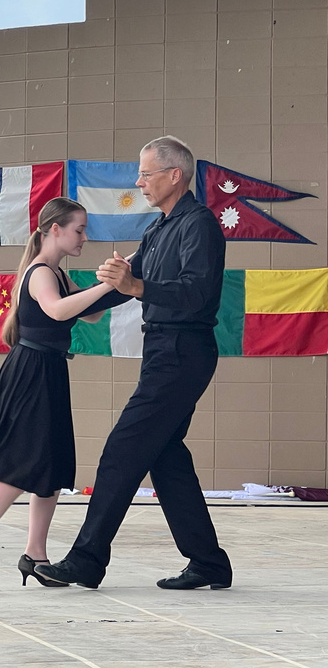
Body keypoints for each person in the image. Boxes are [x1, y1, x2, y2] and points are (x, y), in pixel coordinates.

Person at [36, 136, 233, 591]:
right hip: (162, 351)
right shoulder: (159, 229)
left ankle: (86, 560)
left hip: (184, 351)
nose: (139, 182)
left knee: (124, 449)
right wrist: (103, 286)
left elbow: (198, 293)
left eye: (146, 173)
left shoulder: (199, 225)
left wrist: (138, 287)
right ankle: (209, 563)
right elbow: (129, 278)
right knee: (166, 458)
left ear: (174, 175)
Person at [0, 197, 127, 593]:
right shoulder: (41, 272)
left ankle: (36, 556)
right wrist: (107, 285)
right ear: (54, 229)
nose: (84, 237)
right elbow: (59, 311)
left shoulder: (59, 273)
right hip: (31, 373)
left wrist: (123, 279)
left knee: (52, 467)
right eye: (79, 229)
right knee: (19, 467)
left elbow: (91, 313)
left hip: (49, 371)